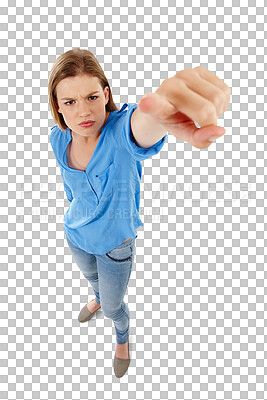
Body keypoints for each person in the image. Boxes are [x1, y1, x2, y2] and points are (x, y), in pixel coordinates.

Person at [48, 48, 231, 378]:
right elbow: (72, 190)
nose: (84, 111)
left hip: (116, 248)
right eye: (70, 102)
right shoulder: (58, 140)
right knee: (94, 285)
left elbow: (141, 127)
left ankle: (122, 339)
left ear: (105, 94)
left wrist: (163, 108)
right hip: (76, 236)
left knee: (115, 306)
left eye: (91, 96)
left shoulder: (119, 134)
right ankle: (98, 298)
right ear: (58, 107)